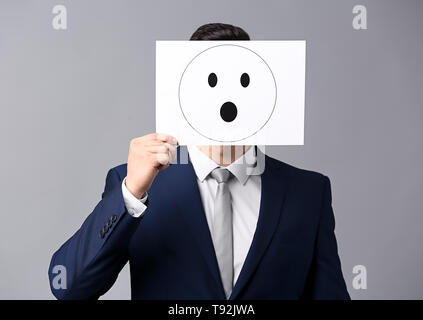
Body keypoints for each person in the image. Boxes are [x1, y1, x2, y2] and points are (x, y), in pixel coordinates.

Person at [48, 23, 350, 300]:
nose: (227, 99)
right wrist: (130, 195)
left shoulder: (308, 192)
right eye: (212, 83)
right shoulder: (137, 185)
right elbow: (69, 289)